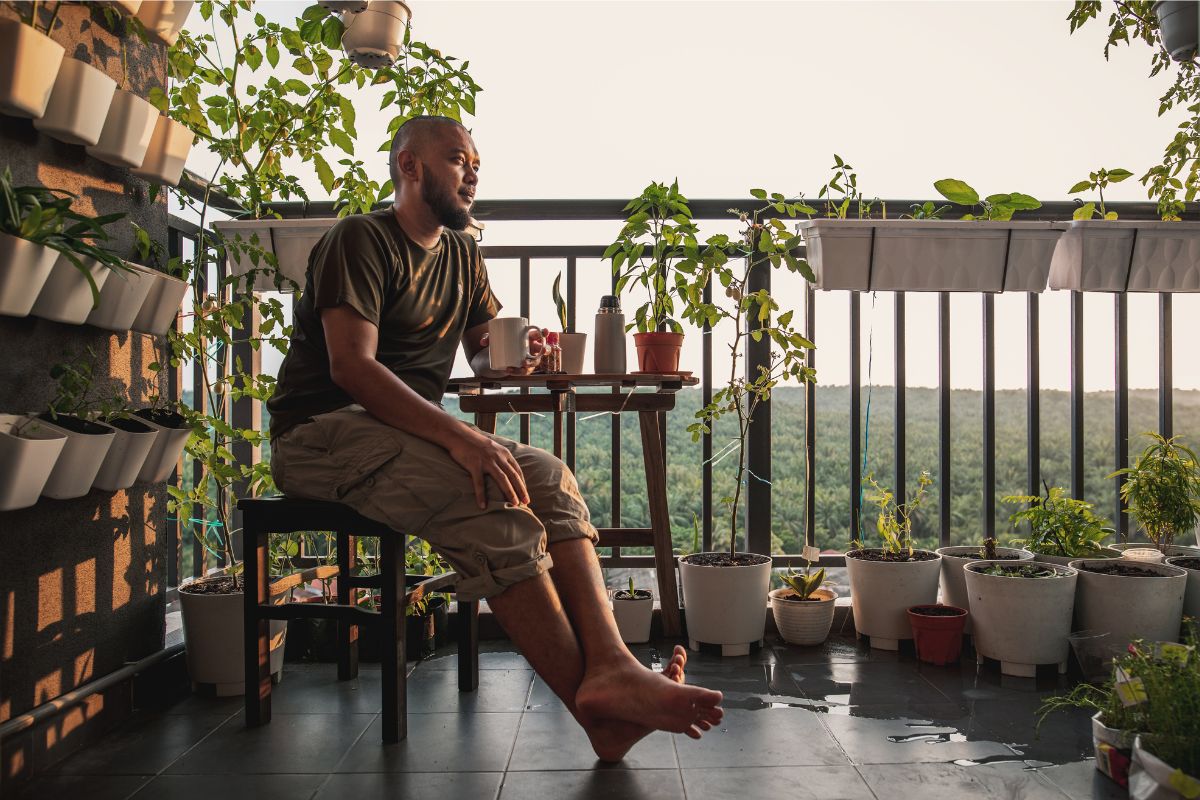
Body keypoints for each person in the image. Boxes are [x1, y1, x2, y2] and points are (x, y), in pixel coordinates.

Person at [266, 115, 723, 761]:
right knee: (491, 502)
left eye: (477, 161)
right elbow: (352, 367)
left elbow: (483, 356)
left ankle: (615, 669)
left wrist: (519, 358)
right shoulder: (360, 238)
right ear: (409, 167)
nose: (473, 171)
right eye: (457, 158)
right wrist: (461, 438)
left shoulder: (460, 254)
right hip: (320, 434)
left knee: (550, 480)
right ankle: (593, 704)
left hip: (400, 433)